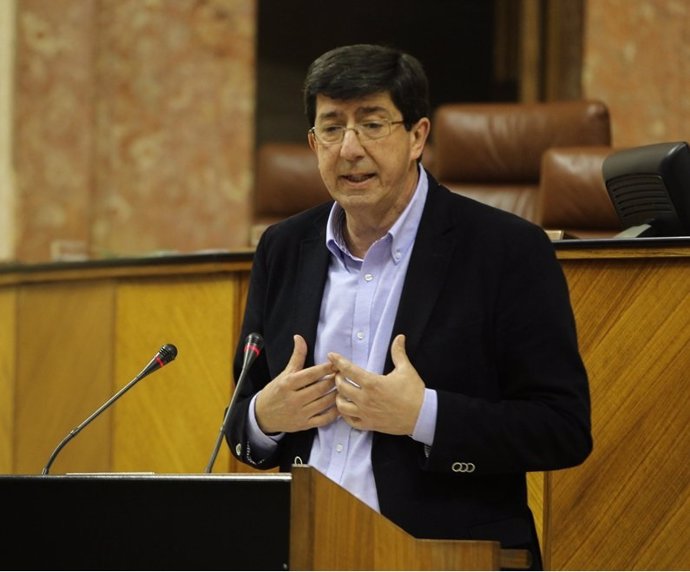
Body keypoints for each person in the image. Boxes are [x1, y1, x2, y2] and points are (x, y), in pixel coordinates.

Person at [225, 43, 592, 569]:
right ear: (312, 142)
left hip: (447, 555)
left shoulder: (506, 250)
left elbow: (562, 428)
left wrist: (424, 417)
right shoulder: (283, 248)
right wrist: (266, 416)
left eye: (372, 124)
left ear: (417, 136)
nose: (349, 148)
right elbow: (241, 418)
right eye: (331, 128)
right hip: (307, 549)